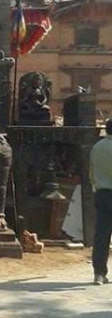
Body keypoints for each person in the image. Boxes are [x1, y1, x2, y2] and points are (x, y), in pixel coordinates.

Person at [90, 118, 112, 285]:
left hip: (102, 193)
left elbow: (91, 172)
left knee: (102, 234)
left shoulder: (97, 147)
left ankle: (99, 273)